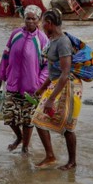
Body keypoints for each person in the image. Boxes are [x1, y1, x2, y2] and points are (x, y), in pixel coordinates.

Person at [0, 5, 49, 154]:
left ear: (39, 20)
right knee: (9, 116)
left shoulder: (42, 39)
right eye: (28, 18)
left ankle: (25, 146)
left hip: (31, 87)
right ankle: (18, 138)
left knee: (27, 119)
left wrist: (39, 84)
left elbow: (47, 65)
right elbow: (5, 56)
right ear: (23, 18)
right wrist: (1, 77)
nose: (30, 21)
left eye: (33, 18)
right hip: (13, 82)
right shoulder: (15, 34)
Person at [33, 9, 81, 170]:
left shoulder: (62, 42)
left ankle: (71, 161)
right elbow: (53, 70)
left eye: (43, 23)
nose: (41, 26)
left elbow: (65, 73)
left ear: (50, 24)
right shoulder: (52, 40)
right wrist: (41, 89)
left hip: (67, 86)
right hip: (56, 84)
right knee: (38, 120)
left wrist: (51, 99)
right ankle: (50, 156)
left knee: (67, 127)